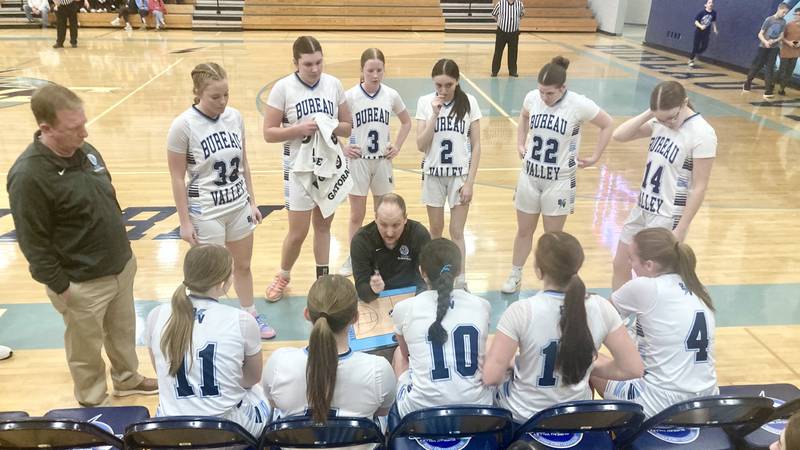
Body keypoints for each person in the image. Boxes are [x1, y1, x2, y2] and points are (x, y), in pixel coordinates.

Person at [7, 83, 157, 407]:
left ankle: (127, 379)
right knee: (85, 350)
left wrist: (125, 256)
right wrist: (61, 286)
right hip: (80, 283)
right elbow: (33, 241)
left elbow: (108, 197)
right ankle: (92, 400)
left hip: (120, 267)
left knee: (122, 334)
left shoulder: (87, 151)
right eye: (74, 128)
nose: (85, 133)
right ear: (46, 128)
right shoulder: (28, 175)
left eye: (84, 123)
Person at [483, 232, 643, 423]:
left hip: (524, 419)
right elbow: (633, 369)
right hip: (574, 415)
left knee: (488, 375)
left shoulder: (521, 311)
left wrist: (515, 365)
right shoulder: (602, 307)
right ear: (578, 265)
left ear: (538, 270)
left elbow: (491, 377)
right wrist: (585, 366)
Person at [167, 62, 275, 339]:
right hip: (207, 211)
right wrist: (184, 221)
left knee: (243, 266)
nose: (223, 102)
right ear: (198, 93)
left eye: (226, 94)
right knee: (211, 275)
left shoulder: (235, 117)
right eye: (215, 96)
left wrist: (252, 201)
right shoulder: (183, 126)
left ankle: (250, 314)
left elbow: (244, 163)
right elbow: (178, 178)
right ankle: (206, 324)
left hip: (238, 206)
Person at [501, 56, 614, 294]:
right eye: (541, 91)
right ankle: (515, 274)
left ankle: (551, 283)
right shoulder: (532, 98)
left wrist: (595, 156)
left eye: (549, 93)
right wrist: (520, 143)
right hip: (530, 175)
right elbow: (523, 117)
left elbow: (607, 124)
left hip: (559, 180)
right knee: (523, 231)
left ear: (563, 88)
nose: (544, 97)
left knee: (552, 237)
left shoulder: (579, 104)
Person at [145, 244, 270, 437]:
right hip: (225, 430)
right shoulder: (242, 320)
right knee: (262, 396)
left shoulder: (156, 315)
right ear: (223, 283)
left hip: (170, 427)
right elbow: (252, 378)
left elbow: (160, 371)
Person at [262, 35, 353, 301]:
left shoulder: (333, 84)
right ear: (295, 63)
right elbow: (268, 132)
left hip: (327, 168)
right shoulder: (283, 88)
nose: (314, 69)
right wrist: (298, 129)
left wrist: (329, 125)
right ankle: (283, 275)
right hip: (298, 169)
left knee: (323, 227)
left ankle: (322, 280)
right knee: (298, 232)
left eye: (319, 63)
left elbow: (348, 125)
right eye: (308, 64)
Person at [592, 228, 717, 418]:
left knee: (583, 362)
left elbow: (597, 319)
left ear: (649, 265)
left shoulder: (645, 287)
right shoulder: (699, 288)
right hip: (706, 401)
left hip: (661, 404)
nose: (629, 264)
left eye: (631, 258)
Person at [611, 81, 716, 291]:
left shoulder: (702, 133)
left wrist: (681, 227)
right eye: (661, 118)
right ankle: (620, 320)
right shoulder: (659, 122)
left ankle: (644, 323)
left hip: (667, 215)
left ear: (684, 102)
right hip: (643, 206)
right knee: (620, 263)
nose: (668, 123)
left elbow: (699, 187)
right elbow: (619, 136)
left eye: (672, 116)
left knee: (651, 280)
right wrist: (651, 113)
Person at [262, 275, 395, 423]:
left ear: (307, 314)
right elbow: (382, 411)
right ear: (355, 318)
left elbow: (273, 403)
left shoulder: (279, 362)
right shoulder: (379, 369)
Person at [391, 238, 493, 417]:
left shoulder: (404, 308)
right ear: (459, 271)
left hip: (419, 414)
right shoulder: (482, 305)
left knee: (399, 354)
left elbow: (406, 353)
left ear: (422, 272)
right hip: (477, 411)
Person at [339, 48, 412, 277]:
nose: (375, 75)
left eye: (379, 70)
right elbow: (332, 125)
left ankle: (381, 256)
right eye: (370, 70)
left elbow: (406, 122)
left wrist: (397, 145)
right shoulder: (350, 96)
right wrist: (343, 147)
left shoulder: (391, 94)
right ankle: (354, 257)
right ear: (362, 70)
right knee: (356, 216)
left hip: (382, 162)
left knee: (383, 215)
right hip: (358, 161)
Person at [415, 59, 481, 290]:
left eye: (448, 85)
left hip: (458, 177)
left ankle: (460, 279)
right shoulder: (425, 102)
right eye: (438, 85)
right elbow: (420, 145)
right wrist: (434, 116)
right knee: (435, 230)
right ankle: (436, 278)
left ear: (457, 82)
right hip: (433, 175)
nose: (443, 90)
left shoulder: (470, 102)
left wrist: (470, 182)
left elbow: (477, 145)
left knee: (456, 231)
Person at [350, 193, 431, 302]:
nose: (389, 233)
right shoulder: (361, 241)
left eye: (396, 225)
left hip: (412, 294)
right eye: (383, 225)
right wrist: (373, 290)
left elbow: (425, 280)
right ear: (376, 218)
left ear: (405, 219)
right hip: (376, 298)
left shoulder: (419, 234)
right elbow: (361, 288)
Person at [744, 2, 791, 99]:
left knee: (770, 68)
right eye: (783, 12)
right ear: (779, 9)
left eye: (786, 13)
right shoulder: (769, 20)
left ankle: (767, 91)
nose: (784, 14)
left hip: (774, 48)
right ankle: (748, 82)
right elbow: (760, 34)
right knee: (757, 66)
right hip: (763, 47)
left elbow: (781, 36)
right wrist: (765, 42)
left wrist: (775, 40)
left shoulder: (783, 22)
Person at [490, 0, 524, 77]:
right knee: (498, 52)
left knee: (513, 53)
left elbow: (521, 15)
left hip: (514, 33)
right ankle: (494, 71)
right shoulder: (500, 3)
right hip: (501, 32)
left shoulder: (520, 4)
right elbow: (494, 14)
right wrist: (500, 22)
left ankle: (513, 71)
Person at [688, 0, 718, 67]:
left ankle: (696, 54)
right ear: (705, 5)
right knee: (696, 46)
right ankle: (691, 59)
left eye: (712, 2)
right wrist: (701, 26)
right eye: (709, 2)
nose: (711, 4)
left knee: (704, 46)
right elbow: (695, 21)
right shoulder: (701, 12)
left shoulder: (714, 13)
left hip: (706, 32)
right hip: (698, 32)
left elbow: (713, 21)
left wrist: (715, 29)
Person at [778, 8, 800, 96]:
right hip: (785, 50)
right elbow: (782, 37)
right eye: (796, 14)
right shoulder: (788, 25)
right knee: (781, 70)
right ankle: (772, 83)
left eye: (798, 15)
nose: (796, 16)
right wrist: (789, 42)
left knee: (789, 72)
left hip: (795, 52)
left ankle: (782, 88)